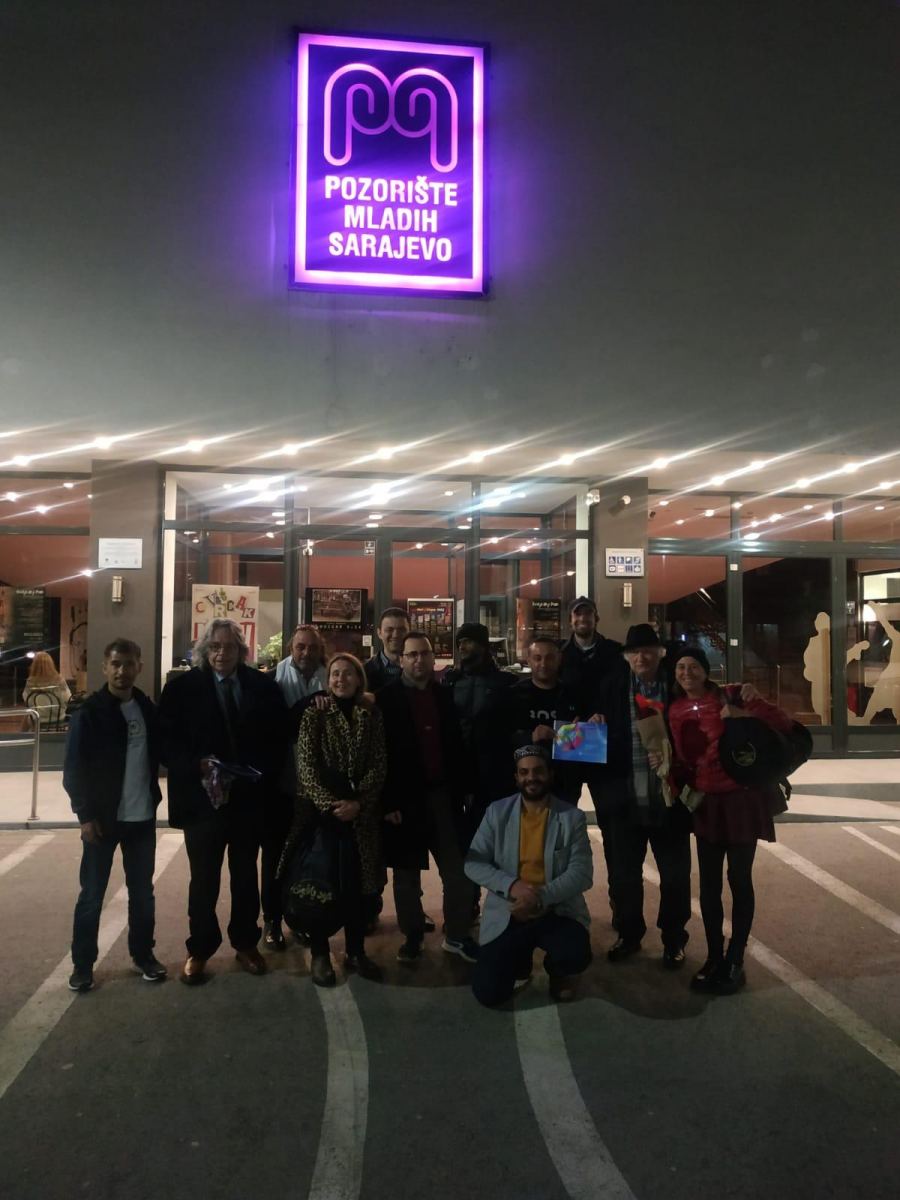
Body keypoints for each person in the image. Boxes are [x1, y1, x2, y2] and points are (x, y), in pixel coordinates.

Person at [158, 618, 288, 985]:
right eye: (214, 646)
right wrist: (195, 765)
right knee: (203, 880)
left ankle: (246, 943)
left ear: (240, 651)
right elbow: (166, 743)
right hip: (202, 802)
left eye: (229, 647)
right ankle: (200, 949)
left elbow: (279, 737)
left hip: (248, 801)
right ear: (204, 650)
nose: (221, 653)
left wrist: (260, 772)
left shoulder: (262, 686)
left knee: (245, 876)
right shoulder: (181, 689)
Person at [668, 646, 793, 994]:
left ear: (706, 670)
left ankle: (736, 958)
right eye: (680, 667)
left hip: (741, 801)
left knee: (739, 879)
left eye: (694, 666)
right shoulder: (675, 710)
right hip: (707, 804)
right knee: (709, 885)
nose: (687, 672)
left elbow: (782, 723)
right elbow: (683, 758)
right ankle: (714, 956)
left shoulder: (733, 694)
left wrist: (743, 714)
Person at [63, 639, 164, 991]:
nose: (122, 671)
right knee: (92, 896)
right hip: (102, 821)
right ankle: (82, 965)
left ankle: (143, 955)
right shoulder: (89, 713)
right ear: (105, 667)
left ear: (139, 667)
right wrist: (85, 816)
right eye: (116, 664)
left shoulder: (147, 709)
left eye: (129, 664)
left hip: (141, 819)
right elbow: (74, 769)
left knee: (143, 894)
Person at [284, 653, 387, 986]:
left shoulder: (371, 715)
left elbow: (378, 765)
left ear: (358, 679)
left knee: (358, 887)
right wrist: (331, 805)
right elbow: (307, 767)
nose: (341, 679)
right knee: (321, 884)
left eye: (347, 674)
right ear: (328, 681)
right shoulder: (315, 714)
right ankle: (319, 953)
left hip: (360, 818)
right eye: (335, 674)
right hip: (322, 818)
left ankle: (356, 951)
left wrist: (358, 804)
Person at [377, 632, 479, 963]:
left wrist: (464, 789)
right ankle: (412, 936)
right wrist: (388, 802)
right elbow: (380, 755)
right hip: (404, 801)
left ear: (434, 658)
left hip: (444, 797)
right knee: (406, 876)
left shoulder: (445, 696)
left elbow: (457, 745)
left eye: (424, 653)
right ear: (401, 660)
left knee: (457, 871)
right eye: (412, 654)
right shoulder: (386, 699)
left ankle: (458, 935)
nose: (418, 660)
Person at [594, 624, 691, 967]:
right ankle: (629, 933)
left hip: (669, 799)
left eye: (648, 650)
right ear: (626, 656)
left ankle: (674, 939)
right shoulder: (613, 686)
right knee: (624, 876)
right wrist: (594, 720)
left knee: (675, 876)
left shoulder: (677, 685)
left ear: (661, 653)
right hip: (625, 798)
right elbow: (596, 727)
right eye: (634, 652)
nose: (641, 657)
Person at [465, 746, 593, 1005]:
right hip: (510, 910)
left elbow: (582, 874)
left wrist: (539, 897)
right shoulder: (496, 813)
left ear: (550, 774)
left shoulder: (572, 817)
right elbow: (473, 864)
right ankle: (519, 960)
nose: (531, 778)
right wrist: (513, 886)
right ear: (516, 778)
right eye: (524, 772)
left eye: (538, 771)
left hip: (556, 909)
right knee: (489, 994)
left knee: (576, 953)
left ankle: (558, 971)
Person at [266, 625, 328, 949]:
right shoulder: (273, 680)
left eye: (312, 648)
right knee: (276, 855)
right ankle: (272, 919)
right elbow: (274, 727)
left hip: (318, 785)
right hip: (282, 782)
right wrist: (307, 705)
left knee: (309, 857)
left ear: (320, 649)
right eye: (300, 647)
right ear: (291, 647)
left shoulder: (331, 676)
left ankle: (302, 917)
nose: (306, 653)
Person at [442, 622, 518, 823]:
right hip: (458, 768)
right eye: (459, 642)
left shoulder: (505, 683)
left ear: (482, 645)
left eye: (467, 641)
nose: (461, 646)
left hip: (494, 771)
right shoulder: (451, 681)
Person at [508, 636, 584, 805]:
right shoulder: (514, 696)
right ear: (528, 660)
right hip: (527, 783)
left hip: (565, 784)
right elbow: (501, 737)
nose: (543, 664)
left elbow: (583, 744)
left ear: (559, 660)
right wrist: (530, 737)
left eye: (549, 658)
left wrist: (587, 730)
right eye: (537, 658)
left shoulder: (573, 696)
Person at [365, 607, 410, 693]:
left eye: (401, 630)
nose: (396, 635)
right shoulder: (365, 670)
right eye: (389, 630)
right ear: (379, 633)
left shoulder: (419, 668)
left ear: (409, 632)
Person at [23, 650, 72, 728]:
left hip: (37, 721)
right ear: (51, 664)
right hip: (58, 720)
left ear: (34, 665)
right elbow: (68, 698)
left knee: (27, 717)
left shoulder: (30, 682)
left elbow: (27, 701)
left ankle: (23, 734)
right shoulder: (59, 680)